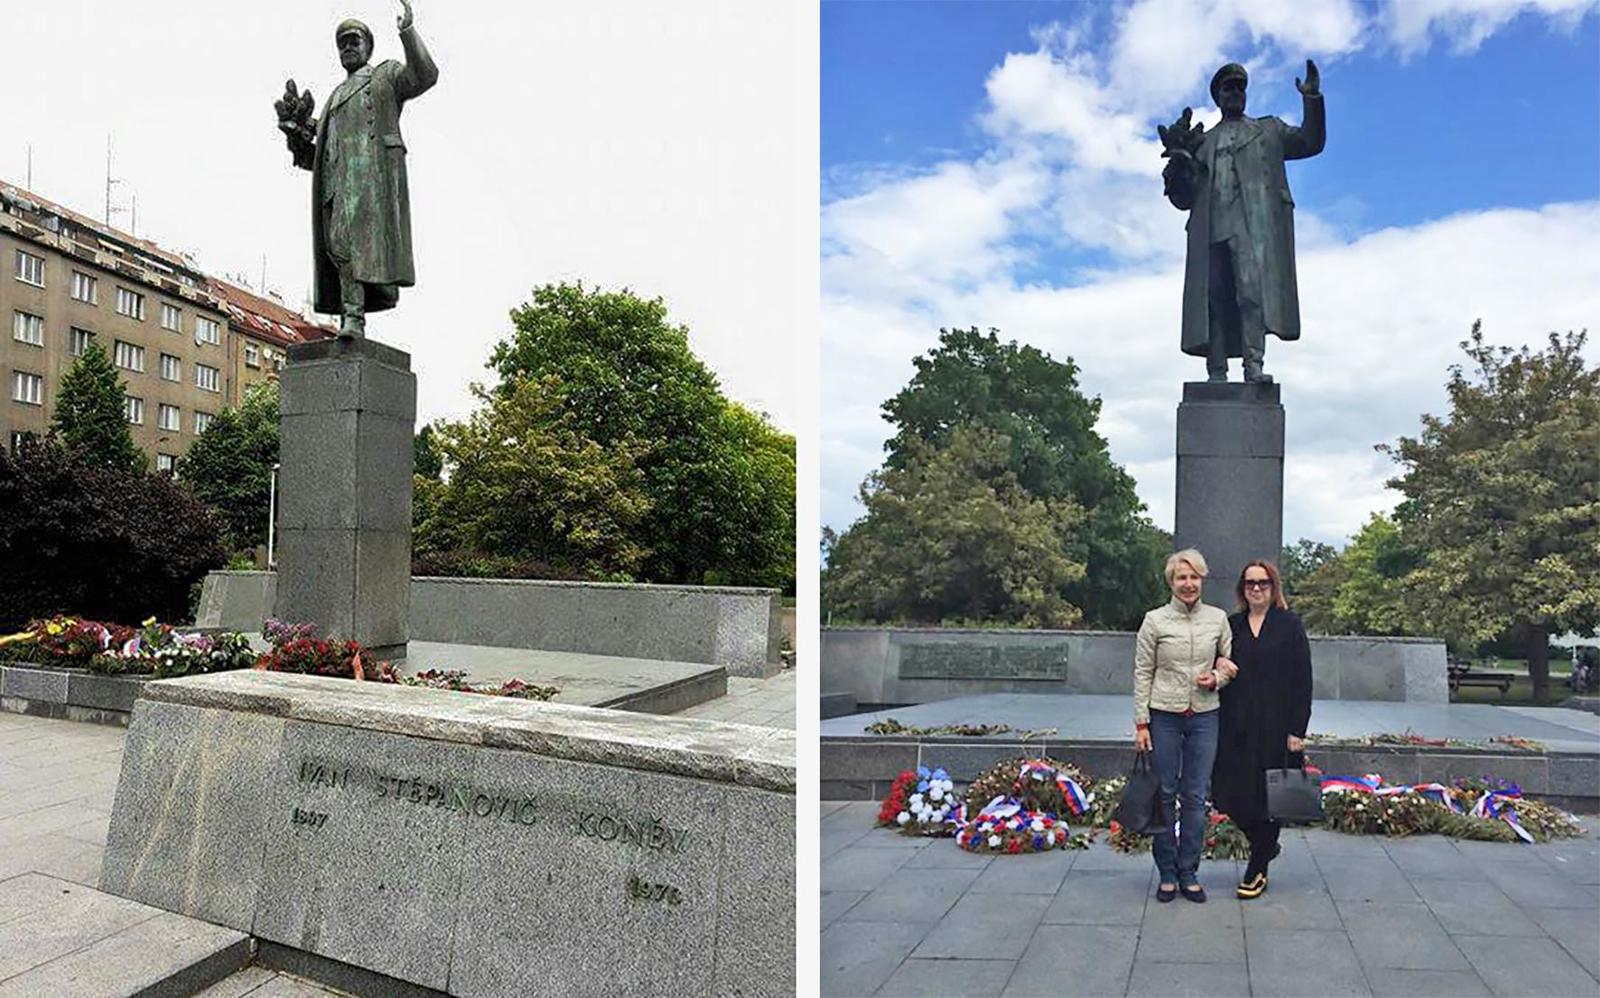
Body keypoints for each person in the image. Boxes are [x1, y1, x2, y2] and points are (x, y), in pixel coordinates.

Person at [276, 1, 438, 338]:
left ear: (367, 46)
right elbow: (315, 156)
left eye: (354, 40)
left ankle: (354, 319)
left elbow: (424, 76)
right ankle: (352, 317)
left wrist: (408, 32)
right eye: (342, 43)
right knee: (337, 248)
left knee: (349, 246)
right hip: (336, 188)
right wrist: (295, 133)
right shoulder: (334, 97)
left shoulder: (385, 76)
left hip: (371, 184)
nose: (348, 47)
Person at [1160, 60, 1325, 383]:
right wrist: (1178, 164)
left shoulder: (1268, 131)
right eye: (1228, 88)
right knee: (1215, 300)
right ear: (1218, 96)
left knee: (1251, 295)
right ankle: (1216, 371)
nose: (1235, 92)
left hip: (1251, 228)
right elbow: (1182, 199)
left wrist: (1312, 100)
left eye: (1240, 87)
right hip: (1210, 230)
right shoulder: (1202, 142)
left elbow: (1310, 142)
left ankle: (1254, 366)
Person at [1133, 549, 1237, 903]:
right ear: (1171, 582)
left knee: (1194, 795)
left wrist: (1218, 678)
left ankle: (1189, 871)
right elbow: (1143, 671)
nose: (1188, 584)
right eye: (1182, 577)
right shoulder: (1155, 620)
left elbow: (1228, 662)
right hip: (1164, 715)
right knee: (1164, 793)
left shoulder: (1218, 619)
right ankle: (1166, 871)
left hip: (1205, 715)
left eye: (1194, 577)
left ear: (1202, 580)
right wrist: (1141, 722)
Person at [1211, 559, 1312, 899]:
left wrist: (1298, 730)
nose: (1256, 588)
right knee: (1228, 794)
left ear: (1274, 587)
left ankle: (1258, 866)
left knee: (1271, 797)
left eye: (1263, 583)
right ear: (1242, 589)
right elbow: (1216, 664)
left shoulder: (1289, 625)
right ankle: (1265, 844)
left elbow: (1303, 681)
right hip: (1235, 725)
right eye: (1250, 583)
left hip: (1276, 726)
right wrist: (1218, 664)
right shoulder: (1231, 624)